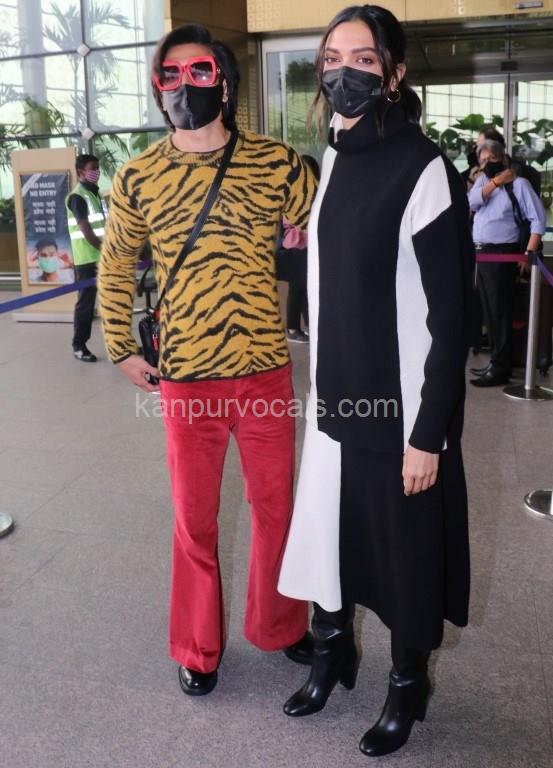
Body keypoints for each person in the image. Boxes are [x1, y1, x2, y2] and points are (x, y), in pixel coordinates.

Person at [277, 5, 474, 757]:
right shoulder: (331, 157)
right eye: (332, 58)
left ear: (394, 74)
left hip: (398, 408)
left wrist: (429, 434)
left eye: (363, 59)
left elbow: (450, 317)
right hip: (336, 396)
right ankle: (332, 652)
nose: (344, 73)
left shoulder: (423, 168)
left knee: (404, 558)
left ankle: (406, 684)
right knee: (330, 535)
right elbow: (333, 276)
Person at [98, 24, 317, 697]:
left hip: (263, 371)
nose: (183, 85)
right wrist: (120, 346)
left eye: (198, 71)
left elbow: (334, 225)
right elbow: (115, 264)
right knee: (194, 522)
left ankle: (280, 624)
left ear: (223, 81)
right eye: (169, 75)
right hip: (187, 378)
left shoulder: (277, 163)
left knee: (276, 509)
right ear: (157, 87)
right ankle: (197, 646)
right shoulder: (139, 175)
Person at [468, 139, 546, 386]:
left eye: (492, 159)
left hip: (503, 254)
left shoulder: (519, 185)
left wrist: (528, 252)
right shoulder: (483, 181)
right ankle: (495, 360)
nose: (487, 164)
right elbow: (470, 203)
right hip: (482, 254)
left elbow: (538, 220)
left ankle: (501, 368)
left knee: (500, 312)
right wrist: (493, 183)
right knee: (489, 312)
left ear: (503, 158)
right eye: (483, 160)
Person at [276, 155, 320, 343]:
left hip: (307, 246)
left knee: (304, 287)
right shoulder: (292, 191)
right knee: (298, 288)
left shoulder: (314, 190)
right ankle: (293, 329)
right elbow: (290, 219)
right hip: (296, 246)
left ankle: (309, 326)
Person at [66, 154, 105, 362]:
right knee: (86, 305)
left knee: (113, 301)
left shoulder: (96, 194)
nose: (97, 172)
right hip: (88, 259)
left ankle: (122, 344)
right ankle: (79, 346)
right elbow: (85, 228)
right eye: (93, 168)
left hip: (103, 258)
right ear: (81, 171)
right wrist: (105, 250)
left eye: (98, 168)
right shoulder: (78, 197)